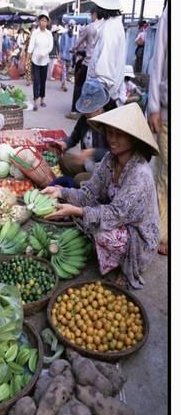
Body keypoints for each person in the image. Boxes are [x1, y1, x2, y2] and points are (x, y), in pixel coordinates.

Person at [42, 103, 160, 289]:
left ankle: (125, 265)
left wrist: (80, 211)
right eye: (110, 132)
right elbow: (89, 193)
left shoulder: (140, 174)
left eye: (119, 134)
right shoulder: (109, 160)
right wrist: (60, 191)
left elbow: (115, 214)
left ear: (133, 138)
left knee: (101, 231)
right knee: (83, 211)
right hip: (118, 218)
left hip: (139, 236)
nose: (112, 139)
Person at [55, 78, 110, 185]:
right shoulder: (84, 120)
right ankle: (77, 186)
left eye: (89, 112)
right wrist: (65, 143)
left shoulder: (109, 125)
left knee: (79, 179)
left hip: (103, 171)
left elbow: (113, 154)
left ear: (100, 109)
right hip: (86, 164)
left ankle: (84, 190)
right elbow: (74, 137)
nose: (86, 115)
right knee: (64, 160)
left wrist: (92, 152)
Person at [86, 0, 126, 109]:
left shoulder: (110, 29)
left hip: (102, 99)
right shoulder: (115, 25)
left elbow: (104, 76)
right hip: (105, 97)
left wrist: (95, 106)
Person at [148, 3, 168, 256]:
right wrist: (154, 106)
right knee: (165, 174)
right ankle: (163, 231)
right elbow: (159, 59)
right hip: (169, 109)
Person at [67, 8, 99, 119]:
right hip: (99, 66)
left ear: (94, 14)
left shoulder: (90, 28)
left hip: (87, 63)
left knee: (78, 86)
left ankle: (74, 111)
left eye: (91, 15)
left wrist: (73, 49)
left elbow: (78, 42)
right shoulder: (104, 28)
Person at [27, 11, 53, 111]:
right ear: (39, 21)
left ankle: (42, 99)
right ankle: (36, 101)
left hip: (45, 61)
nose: (43, 22)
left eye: (45, 21)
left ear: (47, 23)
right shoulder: (35, 33)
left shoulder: (49, 34)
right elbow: (31, 45)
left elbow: (50, 46)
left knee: (43, 81)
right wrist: (28, 56)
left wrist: (44, 53)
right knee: (36, 81)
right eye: (41, 20)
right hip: (35, 61)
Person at [59, 19, 76, 91]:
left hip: (69, 56)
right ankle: (64, 84)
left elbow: (75, 46)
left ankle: (63, 83)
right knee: (64, 70)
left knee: (66, 71)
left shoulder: (74, 36)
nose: (71, 27)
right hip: (64, 55)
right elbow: (61, 45)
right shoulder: (64, 35)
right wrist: (60, 53)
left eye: (72, 26)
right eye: (70, 26)